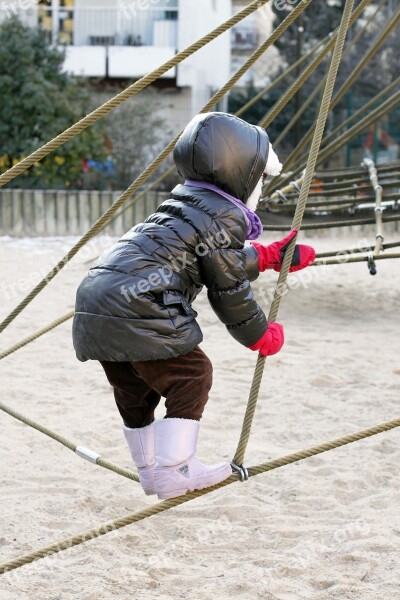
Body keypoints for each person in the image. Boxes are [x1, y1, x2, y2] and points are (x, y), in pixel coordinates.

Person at [72, 112, 315, 500]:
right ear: (241, 173)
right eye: (262, 179)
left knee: (135, 389)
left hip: (95, 303)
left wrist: (268, 256)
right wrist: (258, 335)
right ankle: (176, 469)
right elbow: (228, 287)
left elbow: (209, 257)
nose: (262, 188)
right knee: (192, 373)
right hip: (139, 305)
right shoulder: (223, 215)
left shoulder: (185, 205)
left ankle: (151, 471)